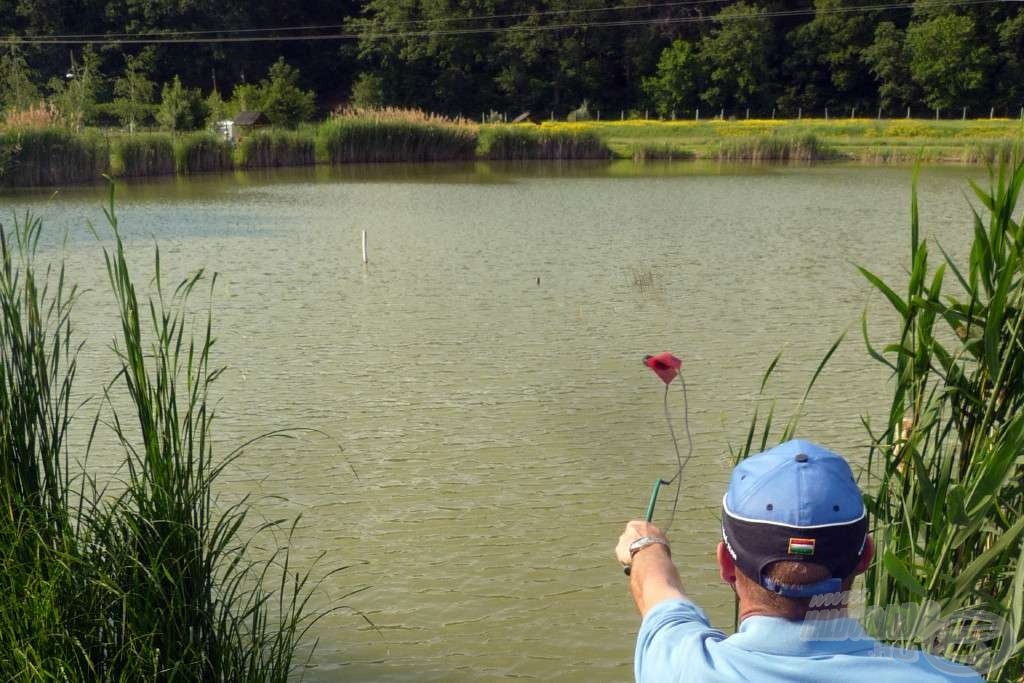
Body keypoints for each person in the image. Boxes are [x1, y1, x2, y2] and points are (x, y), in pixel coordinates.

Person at [615, 439, 984, 682]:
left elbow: (658, 593)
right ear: (865, 558)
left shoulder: (682, 668)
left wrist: (646, 545)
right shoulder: (957, 679)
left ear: (726, 563)